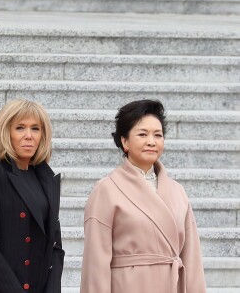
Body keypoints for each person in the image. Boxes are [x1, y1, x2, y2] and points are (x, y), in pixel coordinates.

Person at [80, 100, 206, 293]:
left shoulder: (177, 191)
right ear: (125, 141)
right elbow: (95, 264)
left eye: (158, 135)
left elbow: (192, 259)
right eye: (142, 134)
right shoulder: (106, 190)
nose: (151, 141)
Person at [0, 99, 64, 293]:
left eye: (35, 129)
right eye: (20, 128)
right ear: (6, 132)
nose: (29, 136)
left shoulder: (45, 177)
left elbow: (54, 246)